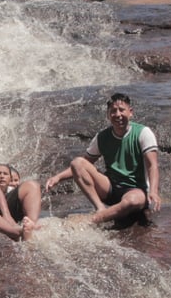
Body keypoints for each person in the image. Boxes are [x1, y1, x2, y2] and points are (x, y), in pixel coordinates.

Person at [44, 93, 161, 225]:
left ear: (130, 112)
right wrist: (57, 178)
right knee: (77, 163)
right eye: (113, 111)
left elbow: (152, 165)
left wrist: (153, 192)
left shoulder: (143, 133)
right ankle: (100, 208)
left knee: (133, 201)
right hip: (110, 188)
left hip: (135, 189)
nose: (118, 115)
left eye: (121, 110)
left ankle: (95, 219)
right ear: (108, 115)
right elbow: (84, 163)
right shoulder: (102, 137)